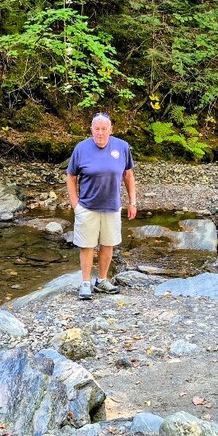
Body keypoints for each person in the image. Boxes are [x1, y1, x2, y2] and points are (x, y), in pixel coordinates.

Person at [66, 113, 137, 300]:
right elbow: (71, 177)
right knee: (87, 245)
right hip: (87, 206)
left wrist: (132, 202)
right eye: (96, 129)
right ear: (91, 130)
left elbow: (128, 176)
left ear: (111, 130)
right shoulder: (81, 148)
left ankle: (102, 280)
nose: (100, 133)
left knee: (108, 244)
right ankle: (85, 283)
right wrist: (75, 205)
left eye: (104, 129)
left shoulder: (122, 147)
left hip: (112, 207)